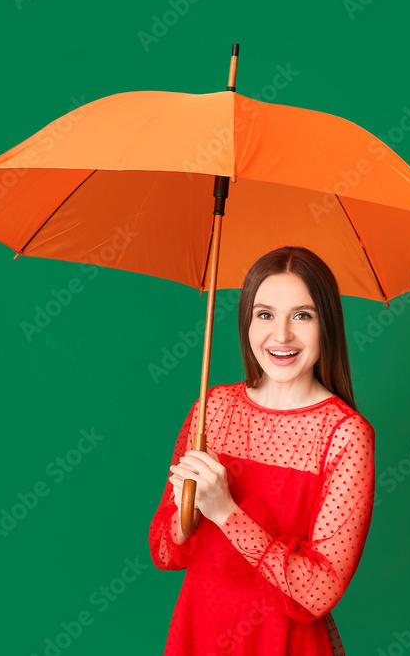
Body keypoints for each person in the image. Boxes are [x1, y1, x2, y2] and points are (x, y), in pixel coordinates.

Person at [148, 246, 376, 655]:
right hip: (199, 629)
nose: (282, 335)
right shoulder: (212, 409)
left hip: (281, 642)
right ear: (246, 323)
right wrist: (187, 509)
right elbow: (165, 551)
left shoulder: (346, 435)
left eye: (302, 315)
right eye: (265, 314)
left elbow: (318, 592)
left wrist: (225, 511)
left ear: (328, 325)